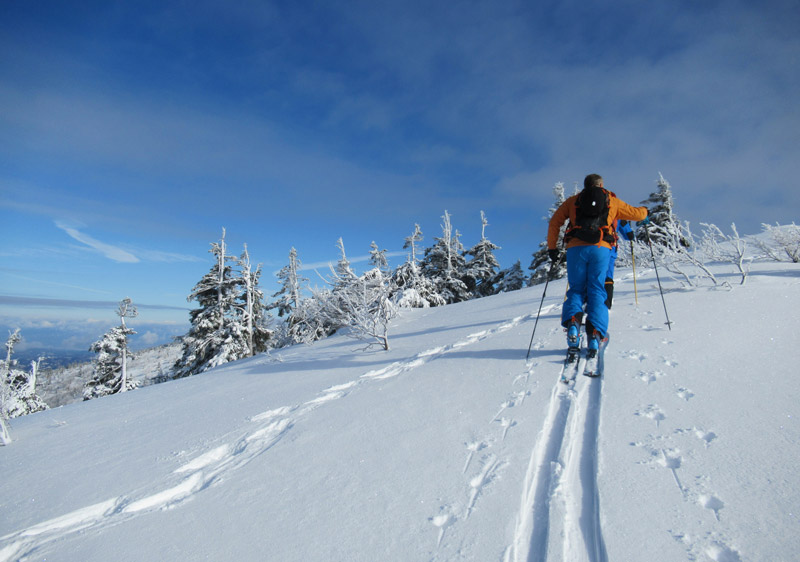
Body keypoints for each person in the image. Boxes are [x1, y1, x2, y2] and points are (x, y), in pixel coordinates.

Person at [547, 174, 648, 359]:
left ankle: (573, 324)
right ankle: (594, 335)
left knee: (576, 289)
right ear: (601, 185)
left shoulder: (573, 201)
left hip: (576, 248)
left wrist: (552, 248)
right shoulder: (612, 200)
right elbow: (637, 214)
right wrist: (645, 210)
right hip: (601, 248)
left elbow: (555, 222)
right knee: (597, 290)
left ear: (584, 187)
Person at [604, 219, 634, 309]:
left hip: (588, 248)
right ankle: (606, 304)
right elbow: (629, 235)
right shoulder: (617, 214)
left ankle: (584, 305)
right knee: (607, 275)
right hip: (609, 249)